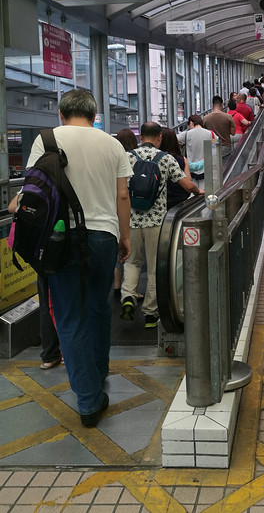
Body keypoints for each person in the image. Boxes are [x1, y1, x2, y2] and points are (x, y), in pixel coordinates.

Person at [24, 89, 132, 427]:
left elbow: (32, 189)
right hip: (104, 237)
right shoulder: (112, 144)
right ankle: (97, 375)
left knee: (70, 318)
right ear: (94, 113)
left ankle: (88, 401)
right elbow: (123, 194)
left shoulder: (46, 139)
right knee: (100, 309)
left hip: (60, 238)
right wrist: (124, 236)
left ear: (60, 113)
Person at [121, 121, 201, 329]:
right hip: (156, 221)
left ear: (141, 137)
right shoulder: (164, 158)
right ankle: (150, 314)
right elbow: (186, 184)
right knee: (155, 267)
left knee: (132, 262)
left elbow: (119, 190)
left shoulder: (127, 157)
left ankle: (128, 296)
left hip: (131, 220)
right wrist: (198, 192)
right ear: (159, 138)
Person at [8, 195, 61, 370]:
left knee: (46, 303)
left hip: (40, 251)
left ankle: (49, 355)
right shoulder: (65, 181)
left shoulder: (38, 182)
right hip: (62, 248)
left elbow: (11, 207)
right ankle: (68, 353)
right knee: (69, 304)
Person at [113, 129, 138, 299]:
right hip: (134, 211)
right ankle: (129, 291)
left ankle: (116, 285)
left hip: (112, 211)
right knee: (131, 256)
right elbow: (124, 194)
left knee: (115, 253)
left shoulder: (113, 157)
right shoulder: (138, 157)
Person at [161, 127, 203, 210]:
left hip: (160, 201)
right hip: (179, 200)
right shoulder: (181, 159)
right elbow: (189, 181)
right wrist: (197, 191)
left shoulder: (154, 158)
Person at [178, 115, 214, 188]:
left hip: (190, 168)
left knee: (193, 191)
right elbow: (217, 141)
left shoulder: (186, 134)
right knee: (205, 190)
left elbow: (174, 139)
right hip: (206, 167)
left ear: (191, 123)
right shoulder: (209, 133)